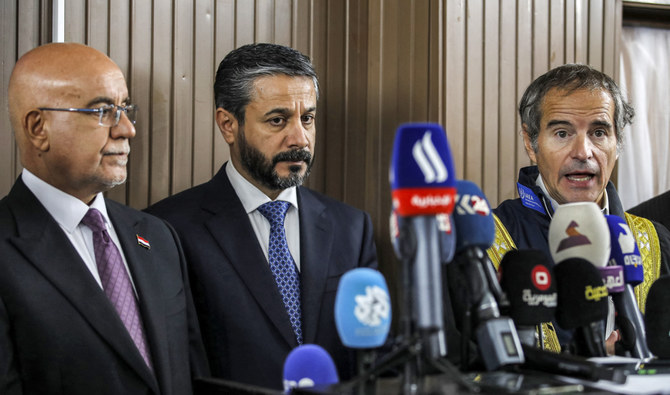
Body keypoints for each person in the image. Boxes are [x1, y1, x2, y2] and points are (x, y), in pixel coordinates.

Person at [146, 43, 378, 390]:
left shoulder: (352, 228)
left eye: (308, 118)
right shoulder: (168, 229)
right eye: (278, 120)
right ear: (228, 125)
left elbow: (371, 356)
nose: (299, 138)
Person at [0, 43, 208, 394]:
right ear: (38, 128)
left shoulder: (157, 237)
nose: (127, 129)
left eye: (125, 109)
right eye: (102, 111)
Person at [486, 64, 670, 353]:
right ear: (530, 142)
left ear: (618, 141)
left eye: (598, 132)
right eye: (562, 133)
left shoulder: (655, 241)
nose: (583, 152)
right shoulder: (487, 240)